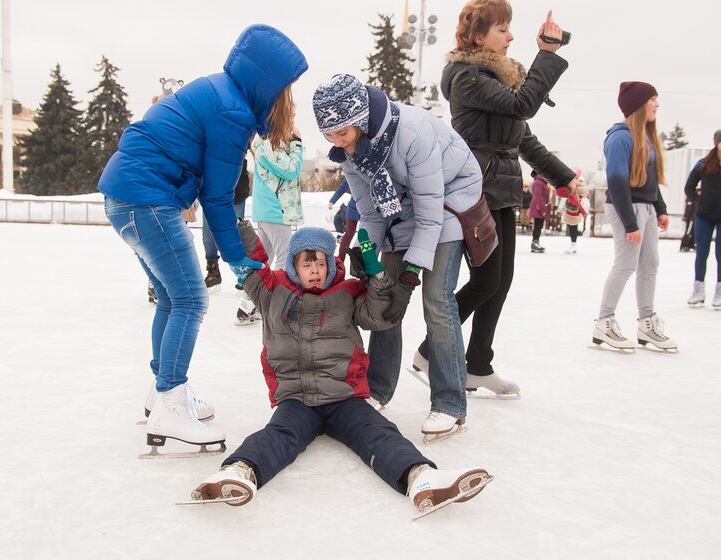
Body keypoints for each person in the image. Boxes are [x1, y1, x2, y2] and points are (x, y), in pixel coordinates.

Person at [97, 24, 308, 454]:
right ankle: (170, 406)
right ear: (267, 82)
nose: (288, 97)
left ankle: (162, 394)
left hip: (126, 197)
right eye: (286, 86)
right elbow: (217, 199)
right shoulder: (232, 112)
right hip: (146, 199)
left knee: (173, 297)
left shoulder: (221, 92)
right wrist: (240, 260)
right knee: (192, 299)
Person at [188, 223, 493, 515]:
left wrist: (376, 278)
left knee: (378, 433)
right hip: (297, 399)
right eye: (306, 265)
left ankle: (421, 476)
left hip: (344, 398)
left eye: (320, 264)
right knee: (278, 435)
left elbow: (380, 317)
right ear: (294, 266)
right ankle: (239, 471)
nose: (315, 272)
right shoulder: (272, 292)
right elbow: (250, 261)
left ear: (330, 265)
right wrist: (235, 224)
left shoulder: (346, 293)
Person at [312, 73, 482, 440]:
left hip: (451, 201)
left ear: (358, 118)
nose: (338, 142)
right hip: (404, 208)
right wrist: (368, 251)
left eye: (342, 132)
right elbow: (371, 212)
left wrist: (411, 274)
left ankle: (450, 403)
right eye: (329, 135)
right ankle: (378, 388)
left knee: (436, 299)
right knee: (384, 296)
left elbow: (430, 210)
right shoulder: (349, 153)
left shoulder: (412, 133)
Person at [430, 1, 581, 396]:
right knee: (486, 281)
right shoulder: (467, 77)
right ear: (479, 36)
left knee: (501, 280)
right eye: (503, 29)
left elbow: (524, 140)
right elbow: (523, 105)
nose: (511, 36)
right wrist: (546, 54)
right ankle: (431, 350)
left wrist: (565, 179)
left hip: (502, 192)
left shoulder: (498, 82)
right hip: (475, 191)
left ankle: (478, 364)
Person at [591, 81, 677, 351]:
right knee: (626, 264)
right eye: (653, 99)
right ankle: (604, 321)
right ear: (639, 105)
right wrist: (630, 222)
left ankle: (646, 322)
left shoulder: (648, 138)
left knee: (650, 264)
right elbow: (617, 182)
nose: (657, 105)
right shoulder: (620, 137)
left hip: (647, 208)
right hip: (625, 207)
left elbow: (650, 180)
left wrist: (660, 209)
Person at [238, 120, 304, 325]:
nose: (292, 122)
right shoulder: (266, 142)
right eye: (289, 116)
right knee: (284, 259)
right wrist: (297, 142)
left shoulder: (268, 142)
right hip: (275, 209)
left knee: (263, 261)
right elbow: (292, 169)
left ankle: (246, 307)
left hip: (271, 209)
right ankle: (278, 309)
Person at [685, 128, 721, 310]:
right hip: (704, 216)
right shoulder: (703, 164)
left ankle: (720, 290)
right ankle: (698, 290)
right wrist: (698, 202)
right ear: (716, 143)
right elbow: (689, 187)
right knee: (701, 252)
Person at [203, 157, 250, 293]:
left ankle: (244, 274)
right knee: (208, 235)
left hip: (237, 194)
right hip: (212, 194)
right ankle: (213, 271)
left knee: (238, 234)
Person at [327, 178, 361, 262]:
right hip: (354, 207)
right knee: (349, 234)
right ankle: (340, 259)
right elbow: (343, 187)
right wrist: (332, 201)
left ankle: (362, 259)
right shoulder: (353, 170)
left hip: (367, 208)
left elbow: (343, 187)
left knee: (363, 235)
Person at [529, 171, 549, 253]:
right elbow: (538, 197)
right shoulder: (538, 182)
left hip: (539, 207)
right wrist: (543, 210)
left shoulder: (540, 182)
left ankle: (536, 242)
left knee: (538, 226)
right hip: (538, 208)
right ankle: (535, 242)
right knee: (537, 225)